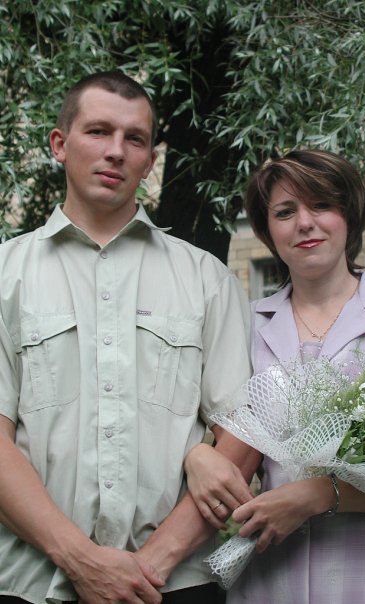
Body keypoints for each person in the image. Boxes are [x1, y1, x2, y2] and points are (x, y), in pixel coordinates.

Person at [0, 70, 261, 604]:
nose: (116, 151)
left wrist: (151, 566)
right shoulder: (6, 275)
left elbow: (242, 434)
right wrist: (79, 559)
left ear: (149, 160)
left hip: (174, 584)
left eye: (135, 139)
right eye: (98, 131)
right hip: (32, 584)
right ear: (59, 144)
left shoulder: (206, 278)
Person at [184, 149, 365, 603]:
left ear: (349, 215)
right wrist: (196, 456)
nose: (305, 223)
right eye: (285, 212)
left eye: (321, 205)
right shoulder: (246, 324)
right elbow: (218, 429)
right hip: (271, 570)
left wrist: (321, 494)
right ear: (268, 230)